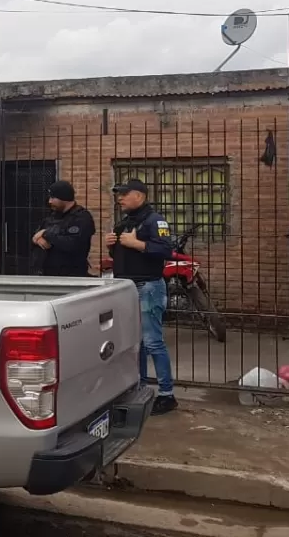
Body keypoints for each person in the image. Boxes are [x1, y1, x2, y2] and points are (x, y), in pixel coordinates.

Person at [107, 178, 177, 416]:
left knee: (153, 341)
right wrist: (112, 245)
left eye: (124, 194)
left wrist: (137, 243)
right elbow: (122, 253)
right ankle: (140, 388)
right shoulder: (124, 222)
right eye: (119, 194)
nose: (120, 198)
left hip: (147, 287)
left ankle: (167, 395)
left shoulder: (155, 220)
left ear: (140, 195)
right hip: (126, 287)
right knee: (135, 343)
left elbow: (166, 250)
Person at [32, 181, 96, 277]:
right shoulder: (52, 216)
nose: (50, 201)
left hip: (71, 276)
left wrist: (46, 234)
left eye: (53, 198)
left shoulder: (81, 218)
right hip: (47, 275)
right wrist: (37, 240)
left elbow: (72, 243)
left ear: (64, 198)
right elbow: (36, 236)